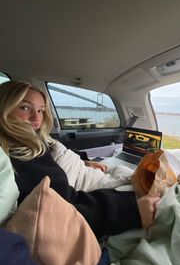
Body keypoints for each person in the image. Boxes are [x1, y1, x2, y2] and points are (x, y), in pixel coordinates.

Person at [0, 80, 160, 239]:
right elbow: (67, 209)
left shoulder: (28, 139)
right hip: (93, 194)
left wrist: (84, 161)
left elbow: (51, 152)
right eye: (24, 107)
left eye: (41, 110)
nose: (36, 118)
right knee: (153, 181)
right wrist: (133, 209)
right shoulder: (21, 154)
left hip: (87, 172)